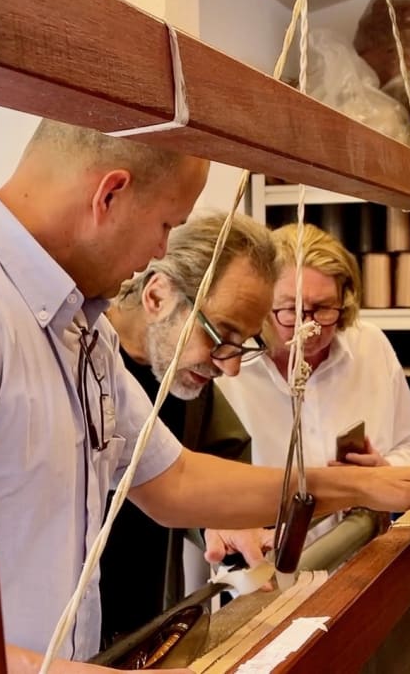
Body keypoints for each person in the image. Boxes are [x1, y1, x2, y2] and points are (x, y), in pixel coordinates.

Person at [0, 120, 410, 673]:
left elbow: (172, 481)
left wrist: (348, 486)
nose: (160, 252)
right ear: (108, 195)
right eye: (168, 225)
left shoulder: (77, 332)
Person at [100, 211, 278, 644]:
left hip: (143, 632)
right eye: (222, 336)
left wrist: (222, 520)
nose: (231, 368)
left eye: (244, 344)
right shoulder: (83, 361)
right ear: (157, 296)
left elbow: (218, 464)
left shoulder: (186, 381)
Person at [218, 223, 410, 541]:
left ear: (345, 301)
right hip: (262, 569)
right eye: (291, 310)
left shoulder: (370, 346)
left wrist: (384, 473)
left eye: (324, 309)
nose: (310, 327)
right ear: (262, 304)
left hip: (362, 554)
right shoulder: (229, 374)